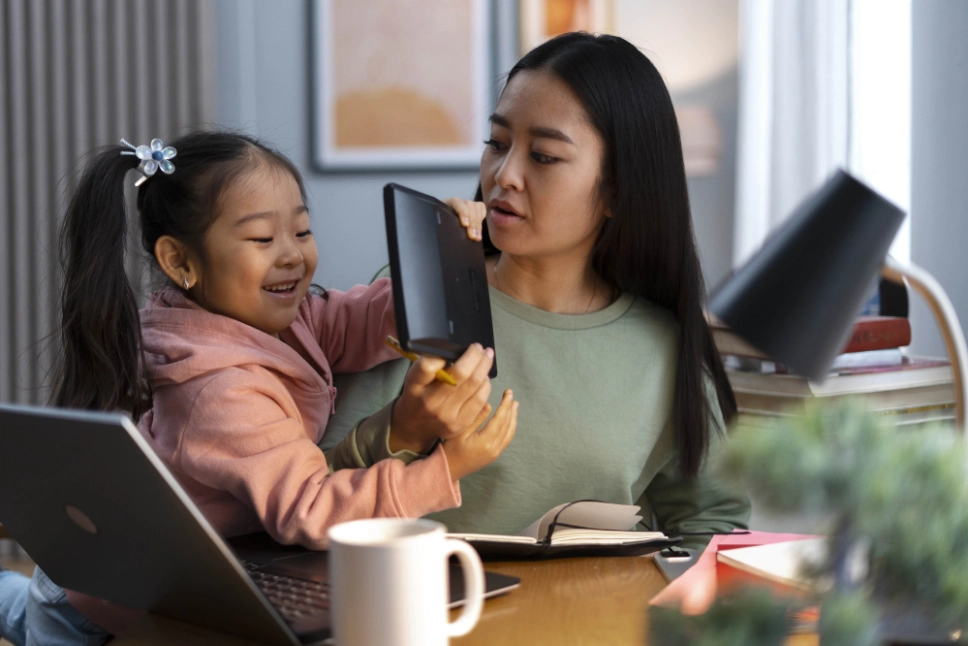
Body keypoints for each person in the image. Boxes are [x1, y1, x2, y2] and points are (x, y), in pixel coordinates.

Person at [0, 130, 517, 646]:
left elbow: (359, 321)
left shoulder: (281, 319)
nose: (292, 256)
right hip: (100, 600)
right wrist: (444, 469)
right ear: (180, 262)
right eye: (262, 240)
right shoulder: (219, 391)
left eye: (302, 231)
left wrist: (446, 250)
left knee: (22, 607)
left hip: (188, 573)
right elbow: (313, 512)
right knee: (28, 621)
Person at [322, 32, 750, 544]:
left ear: (616, 189)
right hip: (429, 614)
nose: (505, 175)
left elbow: (713, 525)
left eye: (543, 156)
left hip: (588, 621)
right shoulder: (413, 293)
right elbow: (315, 493)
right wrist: (401, 430)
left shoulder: (664, 348)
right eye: (497, 144)